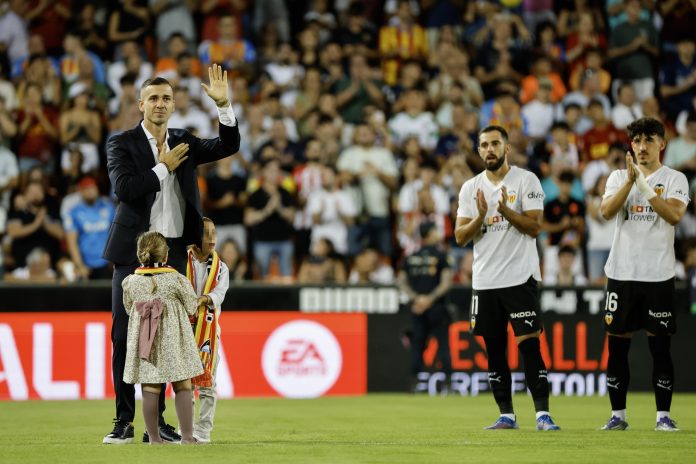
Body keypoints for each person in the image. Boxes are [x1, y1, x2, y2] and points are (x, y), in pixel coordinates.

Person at [102, 64, 240, 444]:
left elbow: (228, 146)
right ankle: (123, 421)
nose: (160, 104)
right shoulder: (121, 143)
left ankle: (157, 425)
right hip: (133, 254)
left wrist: (224, 106)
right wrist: (163, 168)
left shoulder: (184, 140)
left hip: (175, 253)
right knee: (123, 336)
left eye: (166, 98)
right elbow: (124, 189)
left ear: (174, 105)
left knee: (167, 340)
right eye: (153, 98)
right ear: (140, 104)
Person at [454, 125, 560, 431]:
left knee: (529, 346)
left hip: (519, 277)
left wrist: (505, 210)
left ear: (507, 148)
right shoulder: (470, 188)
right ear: (479, 151)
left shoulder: (526, 180)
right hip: (485, 281)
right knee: (495, 349)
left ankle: (542, 415)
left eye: (495, 144)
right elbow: (460, 236)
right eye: (484, 145)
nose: (490, 149)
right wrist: (480, 216)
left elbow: (535, 227)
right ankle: (506, 415)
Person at [599, 117, 689, 432]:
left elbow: (674, 215)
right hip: (621, 273)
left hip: (658, 275)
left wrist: (644, 186)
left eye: (649, 140)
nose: (641, 146)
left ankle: (663, 416)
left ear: (662, 143)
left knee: (660, 349)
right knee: (617, 349)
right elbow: (606, 212)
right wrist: (629, 181)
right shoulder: (617, 177)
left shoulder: (675, 178)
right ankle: (618, 416)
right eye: (636, 141)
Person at [122, 231, 202, 445]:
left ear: (140, 254)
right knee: (182, 384)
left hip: (146, 341)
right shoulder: (176, 279)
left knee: (150, 387)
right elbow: (192, 306)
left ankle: (154, 438)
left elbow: (129, 308)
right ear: (166, 255)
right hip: (174, 339)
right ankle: (187, 437)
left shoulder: (130, 282)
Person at [185, 218, 230, 444]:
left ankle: (203, 431)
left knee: (208, 383)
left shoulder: (221, 268)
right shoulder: (182, 261)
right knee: (186, 384)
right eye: (206, 233)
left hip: (209, 332)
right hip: (184, 330)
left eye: (214, 233)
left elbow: (219, 295)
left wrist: (202, 299)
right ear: (195, 236)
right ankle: (186, 428)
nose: (212, 238)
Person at [399, 222, 452, 393]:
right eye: (436, 231)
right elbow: (446, 282)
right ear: (429, 234)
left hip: (417, 309)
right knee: (443, 345)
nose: (438, 234)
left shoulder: (411, 256)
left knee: (417, 346)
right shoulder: (441, 256)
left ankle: (414, 385)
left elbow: (401, 282)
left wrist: (417, 299)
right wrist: (429, 299)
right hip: (437, 308)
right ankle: (448, 385)